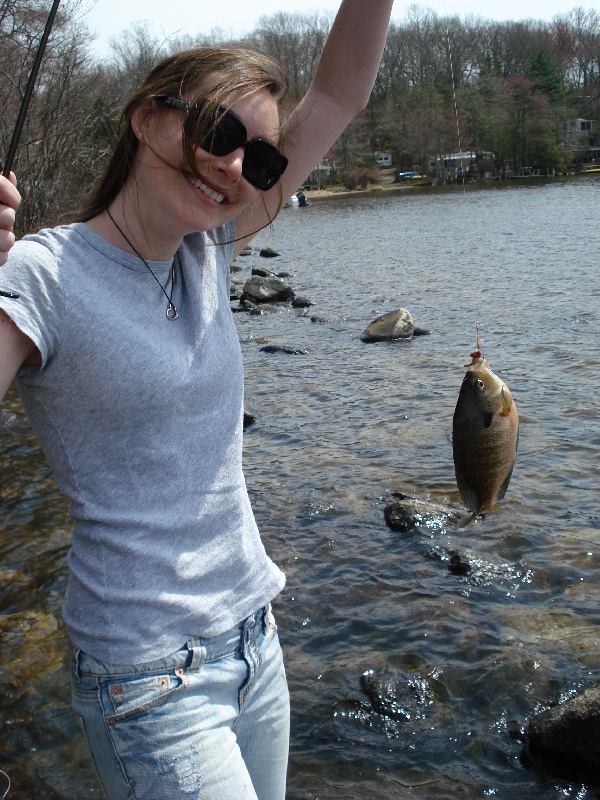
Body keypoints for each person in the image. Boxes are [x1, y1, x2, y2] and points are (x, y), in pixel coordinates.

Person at [0, 2, 394, 798]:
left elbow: (338, 94)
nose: (233, 168)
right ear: (149, 118)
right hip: (146, 678)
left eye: (260, 160)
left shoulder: (210, 246)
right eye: (218, 133)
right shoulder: (44, 276)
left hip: (257, 641)